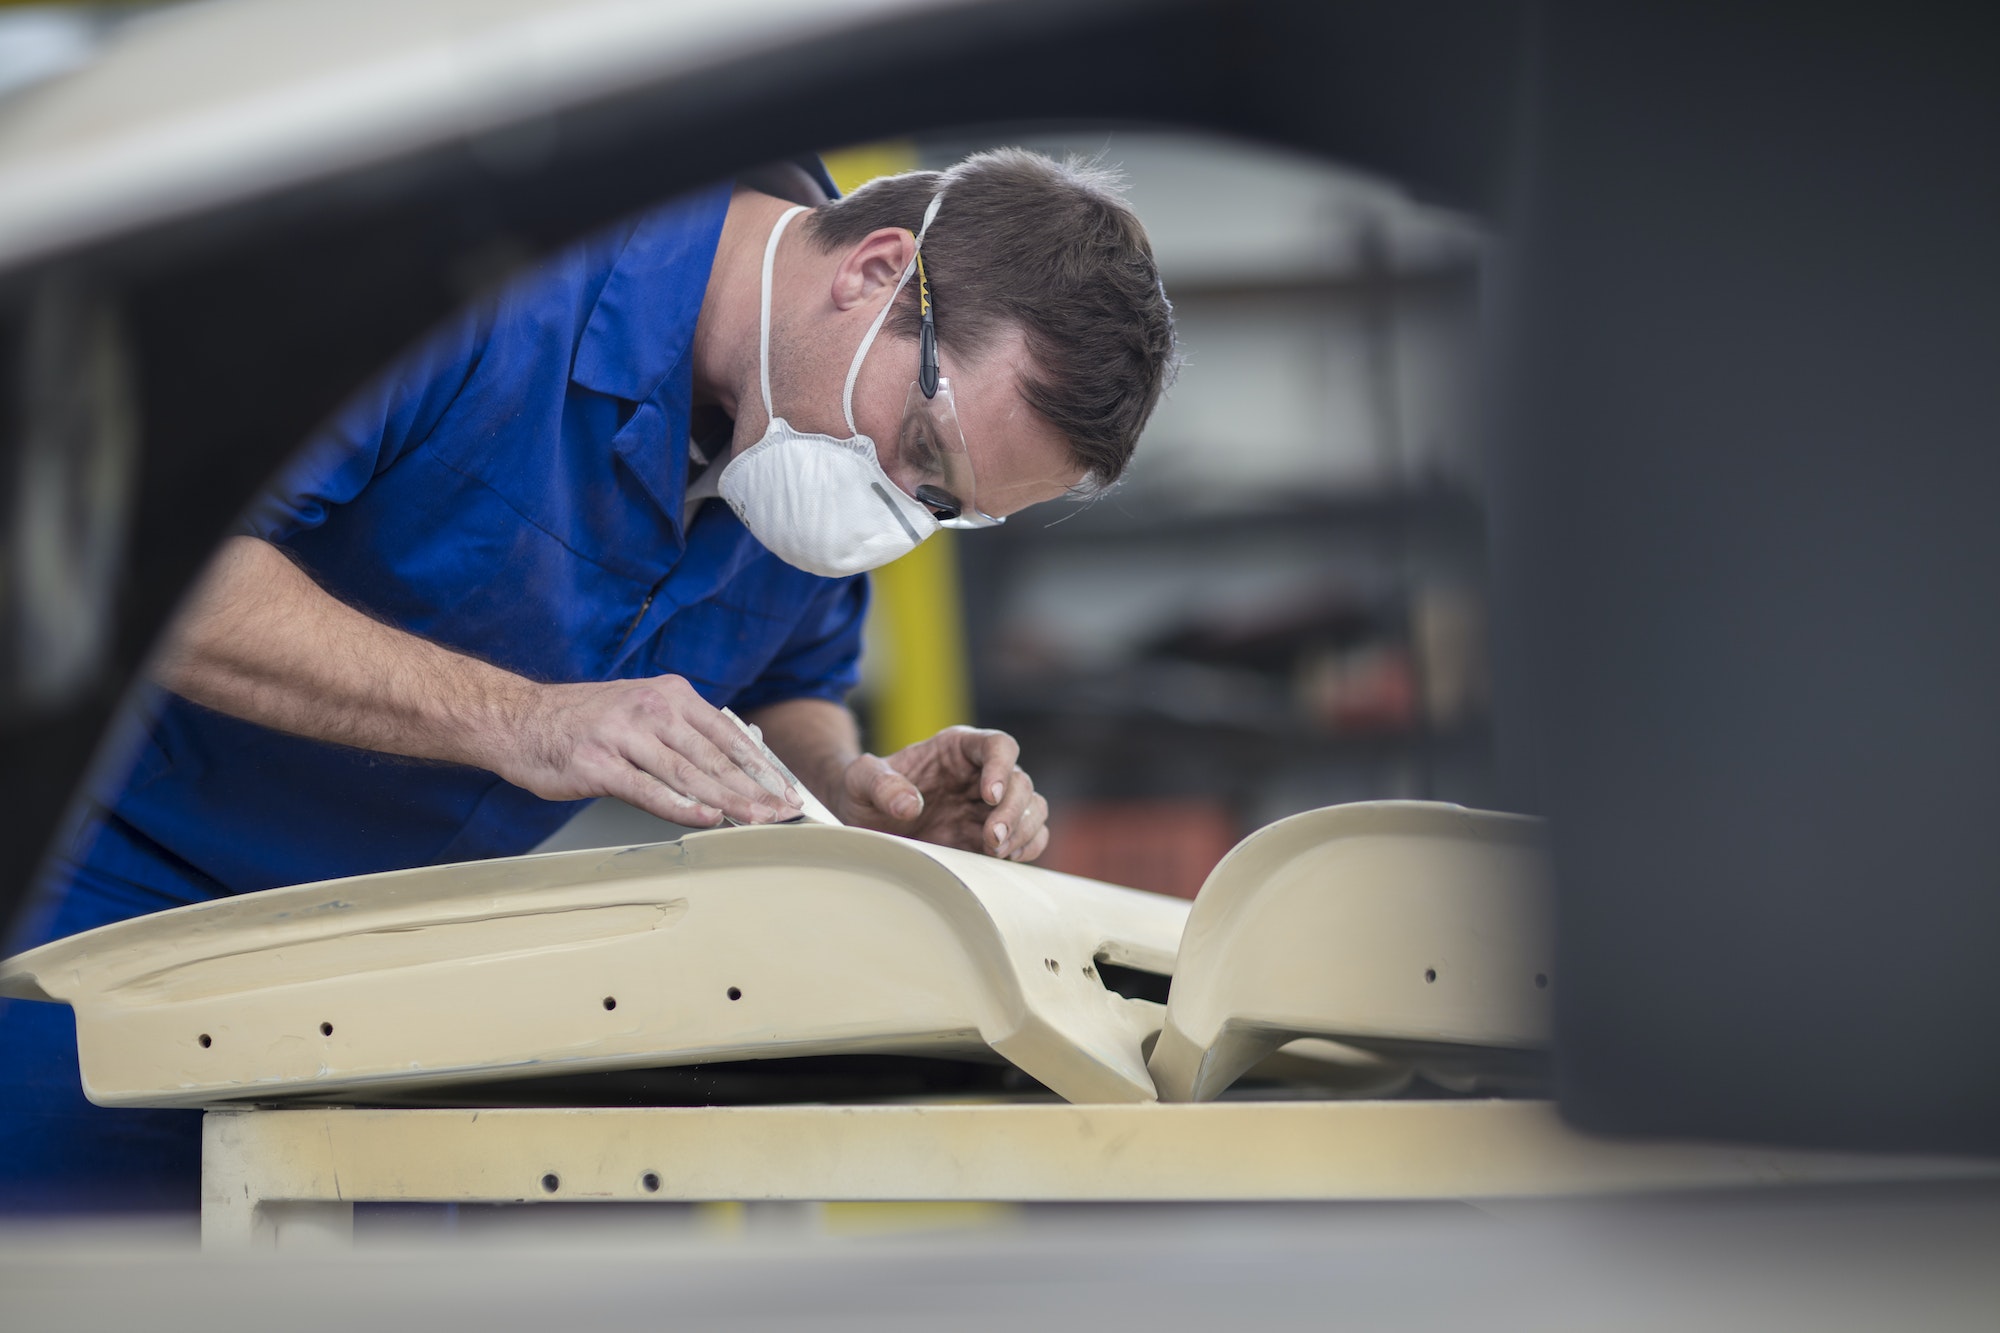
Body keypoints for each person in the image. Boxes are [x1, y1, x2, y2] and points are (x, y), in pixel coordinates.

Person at [0, 148, 1178, 1210]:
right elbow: (150, 580)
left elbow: (791, 674)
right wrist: (524, 721)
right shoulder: (487, 283)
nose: (898, 515)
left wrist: (851, 789)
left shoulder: (805, 442)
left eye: (946, 512)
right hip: (98, 895)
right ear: (872, 272)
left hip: (380, 975)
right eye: (923, 458)